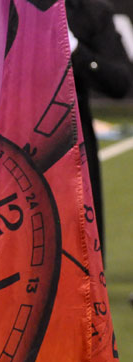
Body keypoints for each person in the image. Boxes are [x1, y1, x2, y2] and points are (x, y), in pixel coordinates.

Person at [66, 0, 131, 248]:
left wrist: (76, 51)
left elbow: (119, 82)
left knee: (82, 253)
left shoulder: (90, 11)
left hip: (73, 149)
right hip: (11, 149)